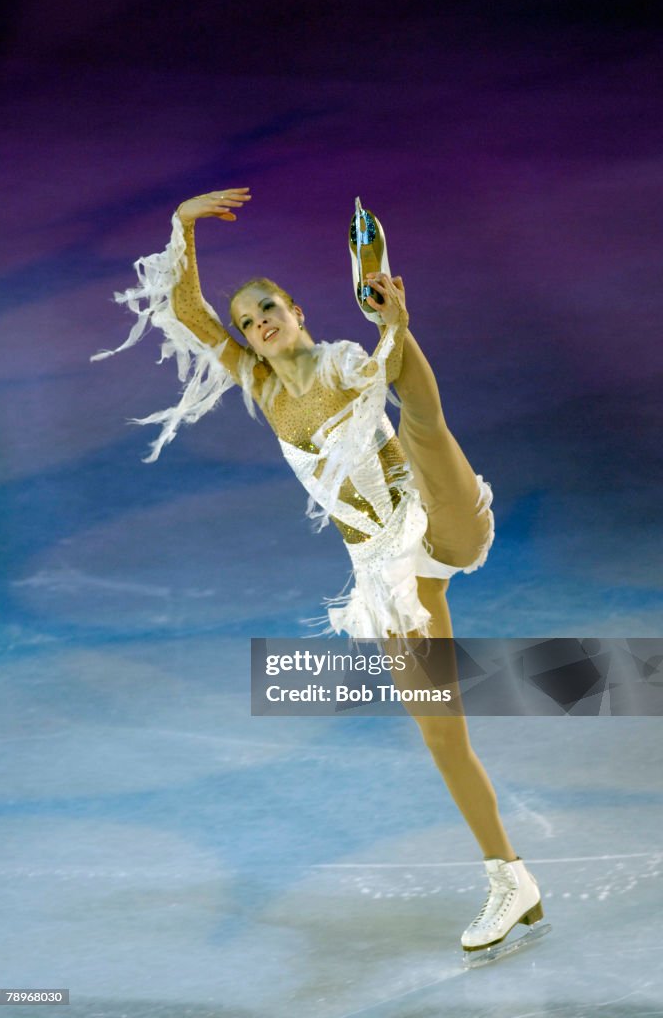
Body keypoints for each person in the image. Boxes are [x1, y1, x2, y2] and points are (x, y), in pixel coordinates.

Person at [92, 186, 544, 955]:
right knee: (442, 738)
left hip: (441, 519)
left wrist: (389, 329)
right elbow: (190, 310)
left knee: (423, 422)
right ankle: (511, 880)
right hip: (391, 575)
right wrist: (182, 227)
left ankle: (392, 309)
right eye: (249, 324)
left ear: (297, 309)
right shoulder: (262, 385)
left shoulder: (338, 362)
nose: (259, 325)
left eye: (269, 309)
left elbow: (385, 380)